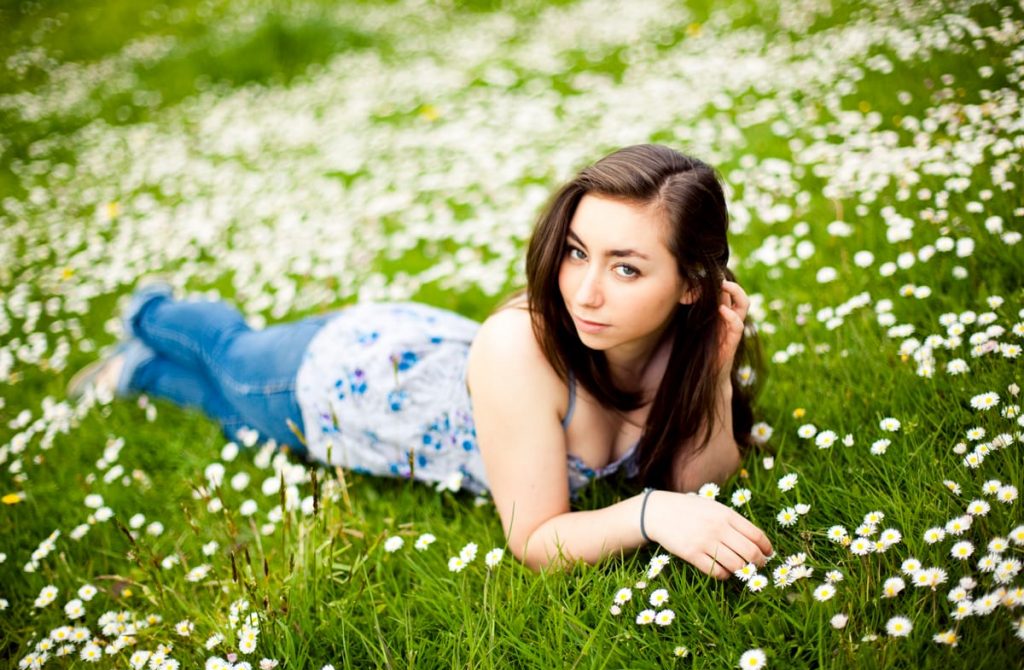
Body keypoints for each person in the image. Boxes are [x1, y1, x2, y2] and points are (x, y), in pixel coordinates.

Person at [69, 144, 773, 575]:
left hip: (421, 363)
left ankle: (133, 371)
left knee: (226, 416)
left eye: (626, 269)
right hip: (338, 380)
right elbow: (534, 538)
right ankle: (152, 312)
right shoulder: (522, 344)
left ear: (689, 284)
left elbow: (698, 478)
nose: (584, 291)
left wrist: (713, 375)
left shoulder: (690, 338)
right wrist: (649, 514)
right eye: (577, 252)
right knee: (231, 360)